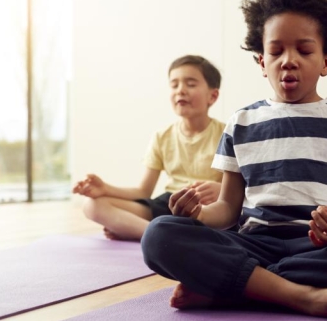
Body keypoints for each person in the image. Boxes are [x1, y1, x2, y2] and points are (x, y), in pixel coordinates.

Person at [141, 0, 327, 321]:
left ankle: (241, 288)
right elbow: (227, 209)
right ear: (261, 61)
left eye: (304, 50)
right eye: (276, 51)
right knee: (160, 234)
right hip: (254, 242)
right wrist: (196, 215)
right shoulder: (241, 123)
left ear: (326, 61)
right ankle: (304, 296)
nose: (289, 61)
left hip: (318, 248)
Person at [72, 55, 225, 241]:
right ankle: (160, 235)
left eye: (191, 84)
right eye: (174, 85)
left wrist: (220, 189)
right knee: (92, 205)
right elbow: (142, 192)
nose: (181, 90)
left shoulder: (227, 134)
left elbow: (241, 190)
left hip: (208, 208)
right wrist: (105, 189)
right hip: (169, 204)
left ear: (213, 95)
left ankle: (149, 233)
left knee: (225, 220)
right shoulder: (162, 137)